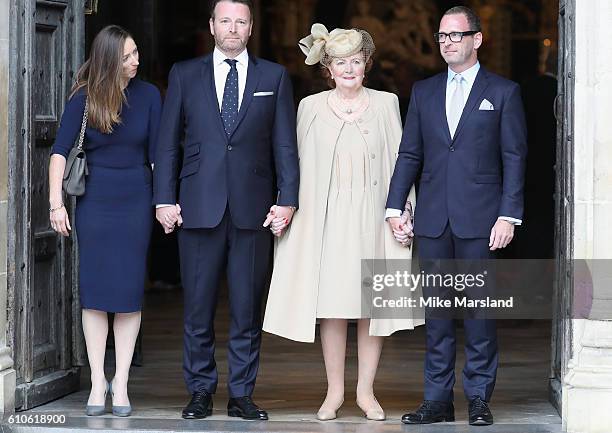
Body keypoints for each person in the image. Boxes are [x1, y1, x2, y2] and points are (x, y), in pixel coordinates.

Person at [263, 23, 423, 422]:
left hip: (373, 216)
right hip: (327, 218)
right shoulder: (310, 107)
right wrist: (286, 207)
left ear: (366, 65)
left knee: (373, 306)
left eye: (355, 61)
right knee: (332, 306)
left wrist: (405, 211)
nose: (348, 69)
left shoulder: (387, 103)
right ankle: (334, 392)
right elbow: (293, 168)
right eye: (339, 63)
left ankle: (367, 392)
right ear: (328, 68)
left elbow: (403, 163)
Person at [153, 0, 299, 421]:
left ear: (251, 27)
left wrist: (287, 199)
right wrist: (164, 198)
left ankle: (241, 394)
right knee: (197, 306)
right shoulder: (185, 74)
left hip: (254, 209)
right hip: (197, 205)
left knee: (247, 308)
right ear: (212, 26)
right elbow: (167, 143)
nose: (232, 29)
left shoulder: (274, 76)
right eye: (225, 21)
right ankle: (199, 391)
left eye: (240, 22)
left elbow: (284, 145)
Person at [386, 6, 527, 426]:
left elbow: (514, 157)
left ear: (476, 39)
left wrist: (509, 215)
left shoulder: (503, 92)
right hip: (432, 220)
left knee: (480, 315)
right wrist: (395, 207)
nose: (447, 42)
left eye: (455, 35)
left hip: (481, 221)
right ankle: (437, 400)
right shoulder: (425, 91)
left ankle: (479, 398)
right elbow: (410, 153)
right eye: (442, 35)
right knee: (437, 317)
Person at [48, 25, 161, 417]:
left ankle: (122, 382)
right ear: (110, 58)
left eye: (136, 53)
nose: (136, 61)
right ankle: (98, 380)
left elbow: (159, 153)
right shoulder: (84, 98)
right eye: (128, 55)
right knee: (95, 294)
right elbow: (60, 152)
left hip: (135, 203)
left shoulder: (149, 96)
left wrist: (165, 201)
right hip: (95, 204)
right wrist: (55, 203)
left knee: (129, 295)